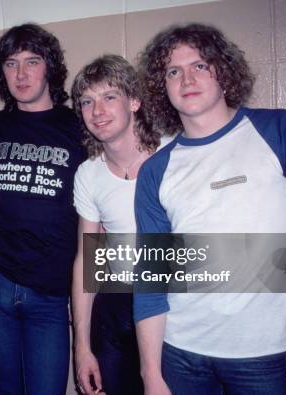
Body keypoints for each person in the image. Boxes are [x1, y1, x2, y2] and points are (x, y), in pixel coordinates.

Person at [133, 23, 286, 395]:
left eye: (200, 66)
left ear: (223, 72)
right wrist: (151, 374)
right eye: (173, 71)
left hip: (268, 357)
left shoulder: (279, 130)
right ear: (163, 87)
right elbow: (151, 277)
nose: (186, 79)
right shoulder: (155, 171)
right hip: (181, 355)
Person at [0, 23, 86, 394]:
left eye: (32, 61)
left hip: (50, 293)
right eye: (11, 64)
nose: (21, 73)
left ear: (50, 68)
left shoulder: (77, 126)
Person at [70, 54, 168, 395]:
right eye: (87, 101)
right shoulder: (89, 174)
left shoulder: (174, 157)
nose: (97, 111)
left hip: (172, 303)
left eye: (109, 97)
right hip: (114, 305)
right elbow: (88, 260)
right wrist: (81, 347)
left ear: (135, 101)